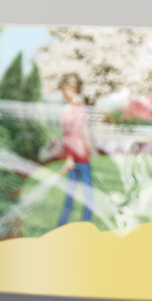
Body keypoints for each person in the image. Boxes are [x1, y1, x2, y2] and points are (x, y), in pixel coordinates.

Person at [57, 74, 93, 225]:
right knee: (70, 194)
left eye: (65, 89)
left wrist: (70, 158)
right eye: (62, 90)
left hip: (79, 156)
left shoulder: (78, 108)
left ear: (73, 89)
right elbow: (67, 133)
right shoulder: (70, 107)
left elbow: (75, 134)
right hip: (72, 153)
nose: (63, 93)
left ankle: (85, 223)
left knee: (87, 194)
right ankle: (61, 226)